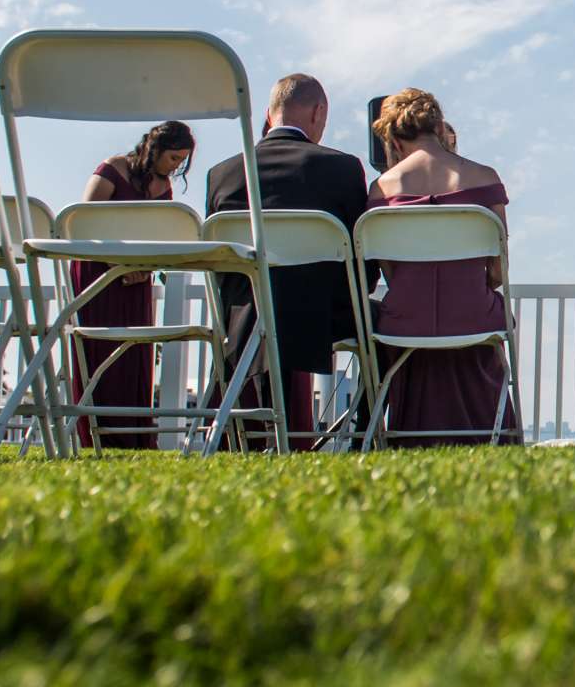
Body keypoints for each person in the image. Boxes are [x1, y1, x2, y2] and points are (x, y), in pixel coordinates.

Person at [205, 73, 371, 448]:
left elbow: (218, 265)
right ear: (318, 113)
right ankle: (367, 436)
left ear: (269, 113)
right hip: (322, 317)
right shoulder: (342, 169)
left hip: (244, 318)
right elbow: (362, 260)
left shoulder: (223, 175)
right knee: (386, 326)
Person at [364, 89, 520, 445]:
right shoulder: (485, 177)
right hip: (473, 316)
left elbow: (392, 273)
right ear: (438, 125)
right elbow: (498, 272)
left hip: (406, 321)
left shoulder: (382, 190)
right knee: (486, 316)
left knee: (406, 317)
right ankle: (491, 435)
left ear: (393, 139)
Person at [71, 121, 193, 449]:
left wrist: (144, 267)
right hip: (97, 273)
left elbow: (161, 236)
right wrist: (114, 264)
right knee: (98, 351)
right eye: (173, 157)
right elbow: (83, 221)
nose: (176, 166)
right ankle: (95, 433)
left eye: (182, 160)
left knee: (134, 352)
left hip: (136, 278)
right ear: (155, 149)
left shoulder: (164, 188)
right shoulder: (112, 169)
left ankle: (133, 436)